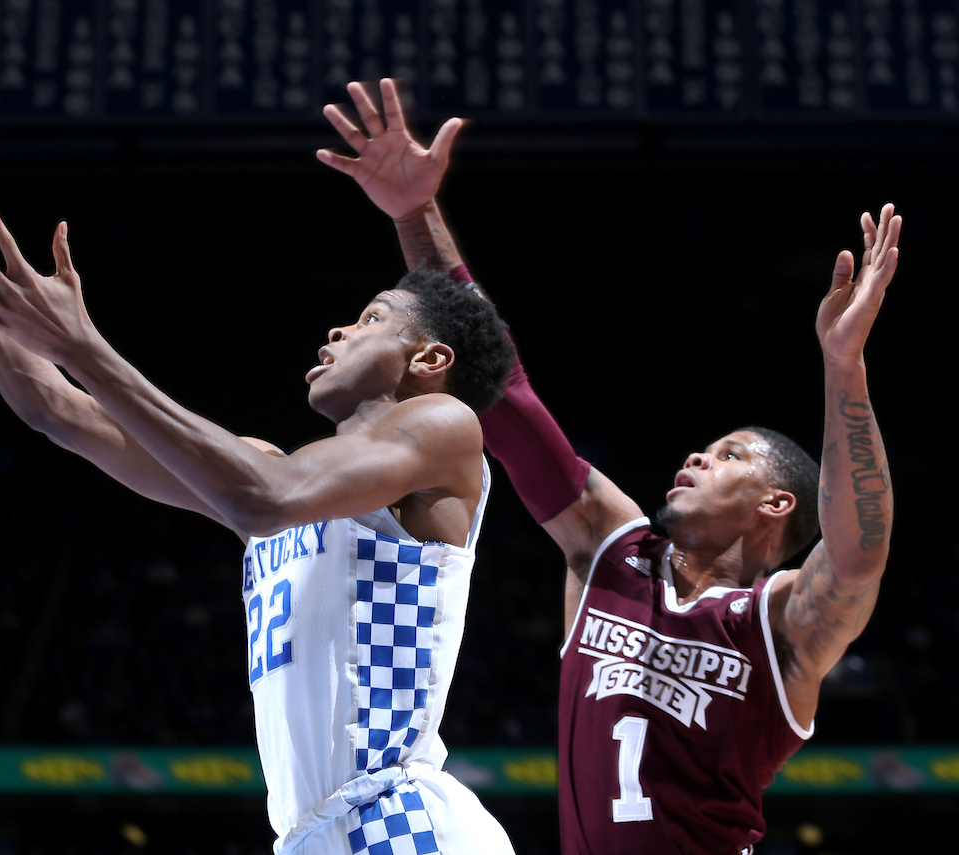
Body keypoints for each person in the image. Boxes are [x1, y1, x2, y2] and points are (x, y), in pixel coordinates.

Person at [0, 118, 519, 854]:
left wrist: (83, 346)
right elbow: (52, 408)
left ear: (430, 357)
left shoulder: (443, 426)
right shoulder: (264, 472)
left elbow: (266, 492)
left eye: (371, 319)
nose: (337, 331)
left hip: (400, 819)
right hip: (314, 832)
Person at [318, 78, 898, 854]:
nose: (695, 455)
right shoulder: (613, 554)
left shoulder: (782, 623)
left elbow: (858, 552)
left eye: (728, 455)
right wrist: (413, 212)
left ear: (775, 505)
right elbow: (503, 389)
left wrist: (844, 365)